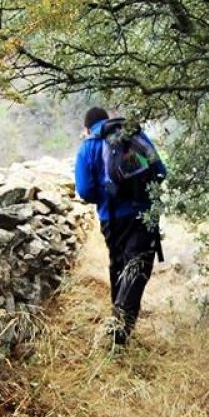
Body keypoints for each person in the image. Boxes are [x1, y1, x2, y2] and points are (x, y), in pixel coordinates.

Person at [74, 107, 166, 347]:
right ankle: (120, 330)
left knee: (120, 267)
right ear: (108, 119)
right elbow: (160, 170)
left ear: (87, 128)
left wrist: (106, 195)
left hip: (112, 218)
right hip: (144, 214)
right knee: (138, 269)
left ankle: (117, 330)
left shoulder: (88, 147)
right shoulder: (132, 134)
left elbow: (84, 191)